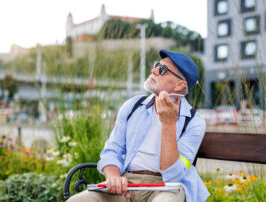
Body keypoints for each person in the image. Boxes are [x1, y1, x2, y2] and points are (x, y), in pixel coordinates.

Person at [68, 50, 210, 202]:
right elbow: (112, 150)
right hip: (127, 183)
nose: (153, 70)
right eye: (156, 65)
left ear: (180, 84)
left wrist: (168, 124)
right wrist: (114, 177)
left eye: (162, 70)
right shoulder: (133, 106)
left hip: (166, 187)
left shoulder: (194, 122)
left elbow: (173, 175)